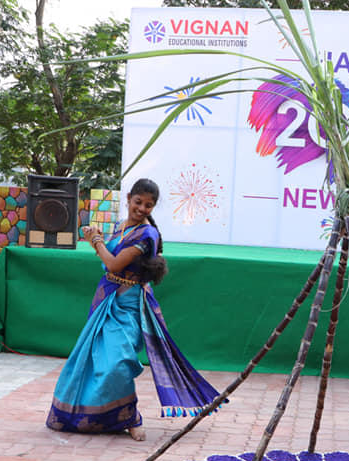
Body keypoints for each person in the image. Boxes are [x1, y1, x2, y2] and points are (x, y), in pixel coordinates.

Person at [46, 178, 220, 440]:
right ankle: (86, 415)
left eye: (148, 205)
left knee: (119, 362)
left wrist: (96, 241)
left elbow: (114, 264)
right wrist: (101, 241)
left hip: (129, 305)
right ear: (128, 198)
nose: (142, 208)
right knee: (93, 359)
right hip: (107, 299)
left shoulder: (147, 234)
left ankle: (129, 417)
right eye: (138, 202)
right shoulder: (122, 226)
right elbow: (110, 266)